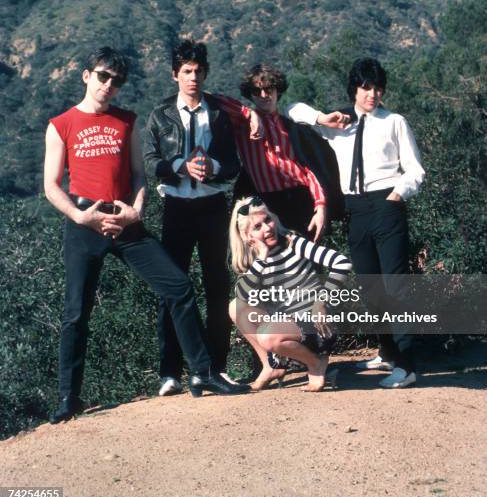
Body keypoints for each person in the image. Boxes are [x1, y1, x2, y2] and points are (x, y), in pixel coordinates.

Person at [44, 47, 249, 423]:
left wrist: (136, 210)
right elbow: (51, 185)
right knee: (76, 313)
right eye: (103, 77)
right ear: (86, 75)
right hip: (83, 223)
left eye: (116, 80)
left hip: (125, 221)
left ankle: (202, 374)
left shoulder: (128, 121)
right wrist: (80, 216)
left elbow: (140, 175)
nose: (109, 86)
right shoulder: (61, 123)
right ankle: (68, 397)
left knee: (178, 287)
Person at [287, 57, 425, 388]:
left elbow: (416, 170)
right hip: (355, 211)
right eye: (366, 87)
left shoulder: (394, 121)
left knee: (395, 286)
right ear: (355, 89)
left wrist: (397, 194)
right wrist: (322, 118)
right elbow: (293, 110)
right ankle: (388, 352)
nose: (372, 94)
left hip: (386, 205)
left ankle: (406, 367)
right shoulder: (339, 123)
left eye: (378, 88)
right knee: (369, 286)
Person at [143, 39, 249, 395]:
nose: (193, 78)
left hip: (212, 207)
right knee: (172, 288)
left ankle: (214, 368)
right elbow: (148, 160)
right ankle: (169, 372)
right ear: (175, 75)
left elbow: (234, 163)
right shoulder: (161, 115)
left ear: (205, 73)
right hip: (176, 207)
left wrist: (213, 166)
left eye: (198, 71)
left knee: (217, 287)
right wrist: (179, 166)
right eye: (186, 71)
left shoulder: (218, 115)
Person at [229, 196, 352, 392]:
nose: (267, 228)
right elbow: (243, 295)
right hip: (290, 322)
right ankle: (271, 367)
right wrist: (261, 258)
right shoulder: (257, 259)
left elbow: (341, 263)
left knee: (267, 336)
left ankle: (315, 363)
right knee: (236, 307)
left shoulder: (293, 242)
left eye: (267, 220)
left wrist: (321, 302)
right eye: (257, 227)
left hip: (317, 322)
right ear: (247, 237)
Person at [214, 65, 348, 241]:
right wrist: (249, 113)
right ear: (250, 94)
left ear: (278, 90)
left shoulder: (290, 125)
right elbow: (213, 100)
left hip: (302, 199)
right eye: (256, 91)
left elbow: (308, 171)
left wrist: (321, 206)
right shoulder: (243, 126)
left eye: (269, 89)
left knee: (309, 261)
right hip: (268, 204)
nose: (263, 95)